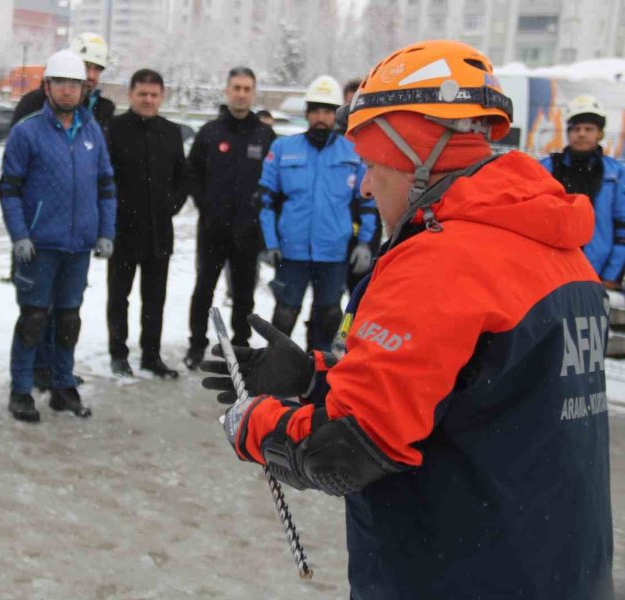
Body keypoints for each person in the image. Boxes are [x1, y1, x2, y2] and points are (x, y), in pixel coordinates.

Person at [201, 40, 613, 599]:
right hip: (557, 567)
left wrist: (255, 427)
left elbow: (345, 450)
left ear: (420, 157)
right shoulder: (555, 244)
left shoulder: (439, 263)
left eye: (372, 164)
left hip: (454, 571)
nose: (366, 186)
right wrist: (312, 376)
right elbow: (464, 384)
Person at [0, 50, 116, 422]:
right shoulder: (27, 131)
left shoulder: (92, 130)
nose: (68, 91)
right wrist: (19, 234)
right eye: (61, 83)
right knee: (33, 318)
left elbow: (106, 185)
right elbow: (9, 188)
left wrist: (105, 232)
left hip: (78, 247)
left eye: (75, 84)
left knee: (68, 319)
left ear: (84, 89)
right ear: (47, 86)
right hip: (38, 246)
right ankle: (21, 389)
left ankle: (63, 388)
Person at [258, 75, 374, 351]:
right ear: (307, 113)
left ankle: (317, 375)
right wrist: (270, 243)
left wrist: (364, 244)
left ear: (335, 115)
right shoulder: (283, 149)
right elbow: (265, 201)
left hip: (333, 253)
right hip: (291, 251)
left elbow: (367, 202)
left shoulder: (353, 152)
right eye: (315, 111)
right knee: (284, 315)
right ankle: (274, 369)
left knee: (329, 315)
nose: (321, 118)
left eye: (327, 111)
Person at [183, 66, 276, 369]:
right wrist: (205, 206)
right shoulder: (210, 133)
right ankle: (197, 344)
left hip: (248, 230)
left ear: (253, 92)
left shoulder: (265, 135)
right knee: (204, 288)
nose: (241, 94)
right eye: (236, 87)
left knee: (244, 293)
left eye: (247, 89)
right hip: (213, 228)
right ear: (227, 91)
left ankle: (240, 344)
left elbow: (274, 180)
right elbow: (192, 173)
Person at [106, 69, 189, 378]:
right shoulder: (114, 129)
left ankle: (151, 356)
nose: (148, 100)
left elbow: (184, 177)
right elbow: (105, 178)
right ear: (130, 94)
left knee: (154, 299)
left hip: (159, 232)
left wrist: (172, 205)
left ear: (161, 97)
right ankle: (119, 354)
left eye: (154, 95)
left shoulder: (170, 131)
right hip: (122, 231)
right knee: (119, 298)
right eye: (142, 94)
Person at [541, 95, 625, 290]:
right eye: (576, 129)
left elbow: (623, 230)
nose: (581, 134)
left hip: (596, 275)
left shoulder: (616, 174)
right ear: (568, 133)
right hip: (548, 271)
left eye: (589, 129)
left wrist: (612, 275)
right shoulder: (545, 169)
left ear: (599, 134)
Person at [342, 77, 383, 293]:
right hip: (340, 228)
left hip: (367, 223)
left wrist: (366, 242)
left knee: (360, 290)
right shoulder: (337, 142)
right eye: (348, 105)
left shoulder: (380, 140)